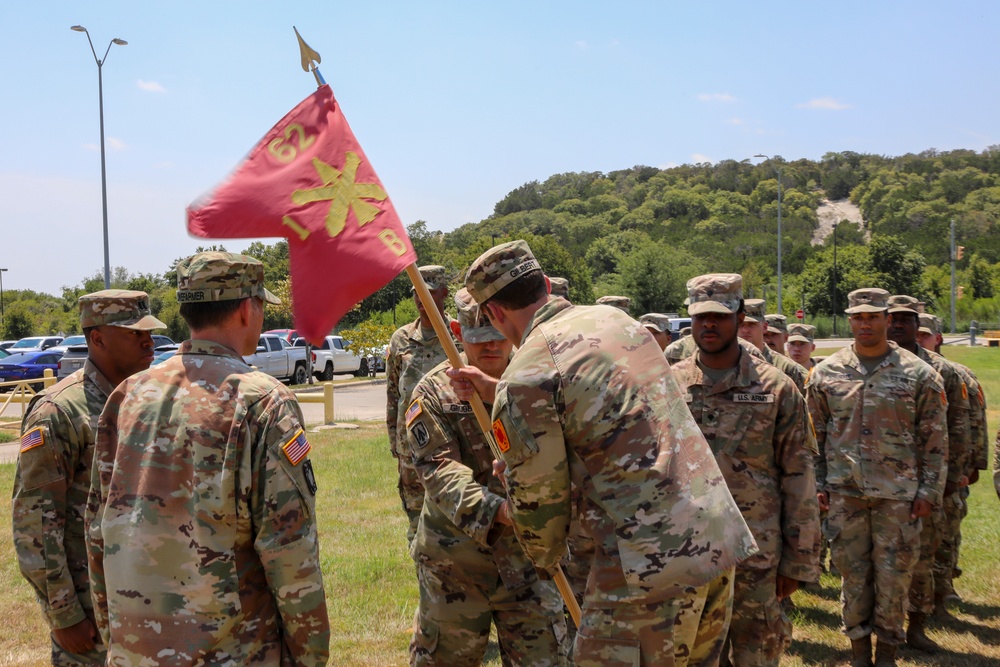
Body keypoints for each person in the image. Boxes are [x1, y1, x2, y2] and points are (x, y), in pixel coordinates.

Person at [454, 240, 757, 666]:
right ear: (544, 284)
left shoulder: (526, 375)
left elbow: (540, 515)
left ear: (493, 314)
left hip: (646, 565)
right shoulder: (616, 321)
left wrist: (534, 534)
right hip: (714, 534)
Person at [85, 252, 329, 665]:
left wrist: (118, 640)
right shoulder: (261, 399)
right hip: (234, 652)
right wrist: (310, 657)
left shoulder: (128, 395)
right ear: (245, 309)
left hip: (137, 651)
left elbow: (98, 528)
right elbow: (289, 548)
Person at [406, 288, 568, 666]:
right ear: (458, 332)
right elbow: (440, 471)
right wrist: (505, 511)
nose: (492, 347)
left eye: (499, 336)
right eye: (480, 340)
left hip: (531, 563)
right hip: (457, 567)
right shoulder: (434, 391)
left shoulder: (538, 381)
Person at [672, 274, 820, 667]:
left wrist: (798, 559)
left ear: (739, 317)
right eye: (700, 316)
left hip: (757, 553)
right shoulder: (668, 385)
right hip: (690, 549)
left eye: (719, 316)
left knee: (756, 651)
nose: (708, 325)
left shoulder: (777, 389)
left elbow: (799, 477)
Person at [12, 290, 165, 666]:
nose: (148, 340)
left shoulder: (149, 398)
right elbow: (36, 522)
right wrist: (64, 615)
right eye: (133, 333)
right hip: (92, 610)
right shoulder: (59, 411)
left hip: (153, 599)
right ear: (97, 338)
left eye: (149, 330)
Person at [806, 288, 946, 667]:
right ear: (850, 320)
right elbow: (813, 437)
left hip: (898, 496)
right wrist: (818, 484)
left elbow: (934, 439)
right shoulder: (825, 373)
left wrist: (929, 490)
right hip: (844, 494)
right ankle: (858, 654)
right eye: (858, 316)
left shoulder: (919, 374)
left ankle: (886, 654)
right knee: (853, 577)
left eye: (873, 316)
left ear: (887, 319)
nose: (865, 323)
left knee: (894, 579)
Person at [885, 295, 970, 651]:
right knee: (882, 560)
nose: (899, 324)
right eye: (894, 318)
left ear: (918, 323)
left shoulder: (940, 371)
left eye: (907, 318)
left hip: (926, 480)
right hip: (883, 479)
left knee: (922, 556)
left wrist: (955, 474)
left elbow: (959, 425)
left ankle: (917, 626)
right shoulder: (873, 363)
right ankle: (883, 626)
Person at [916, 313, 988, 612]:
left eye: (925, 335)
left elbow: (972, 421)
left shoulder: (955, 373)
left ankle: (943, 589)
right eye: (915, 333)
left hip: (947, 467)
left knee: (944, 533)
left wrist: (971, 466)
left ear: (938, 337)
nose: (919, 339)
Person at [386, 265, 462, 542]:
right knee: (416, 517)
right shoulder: (401, 339)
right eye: (416, 293)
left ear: (443, 293)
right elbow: (394, 394)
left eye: (428, 292)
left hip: (452, 444)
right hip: (411, 446)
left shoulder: (459, 335)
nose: (421, 299)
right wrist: (395, 442)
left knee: (454, 514)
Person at [738, 299, 808, 393]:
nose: (745, 330)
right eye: (740, 324)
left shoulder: (789, 369)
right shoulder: (723, 365)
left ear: (764, 327)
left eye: (751, 324)